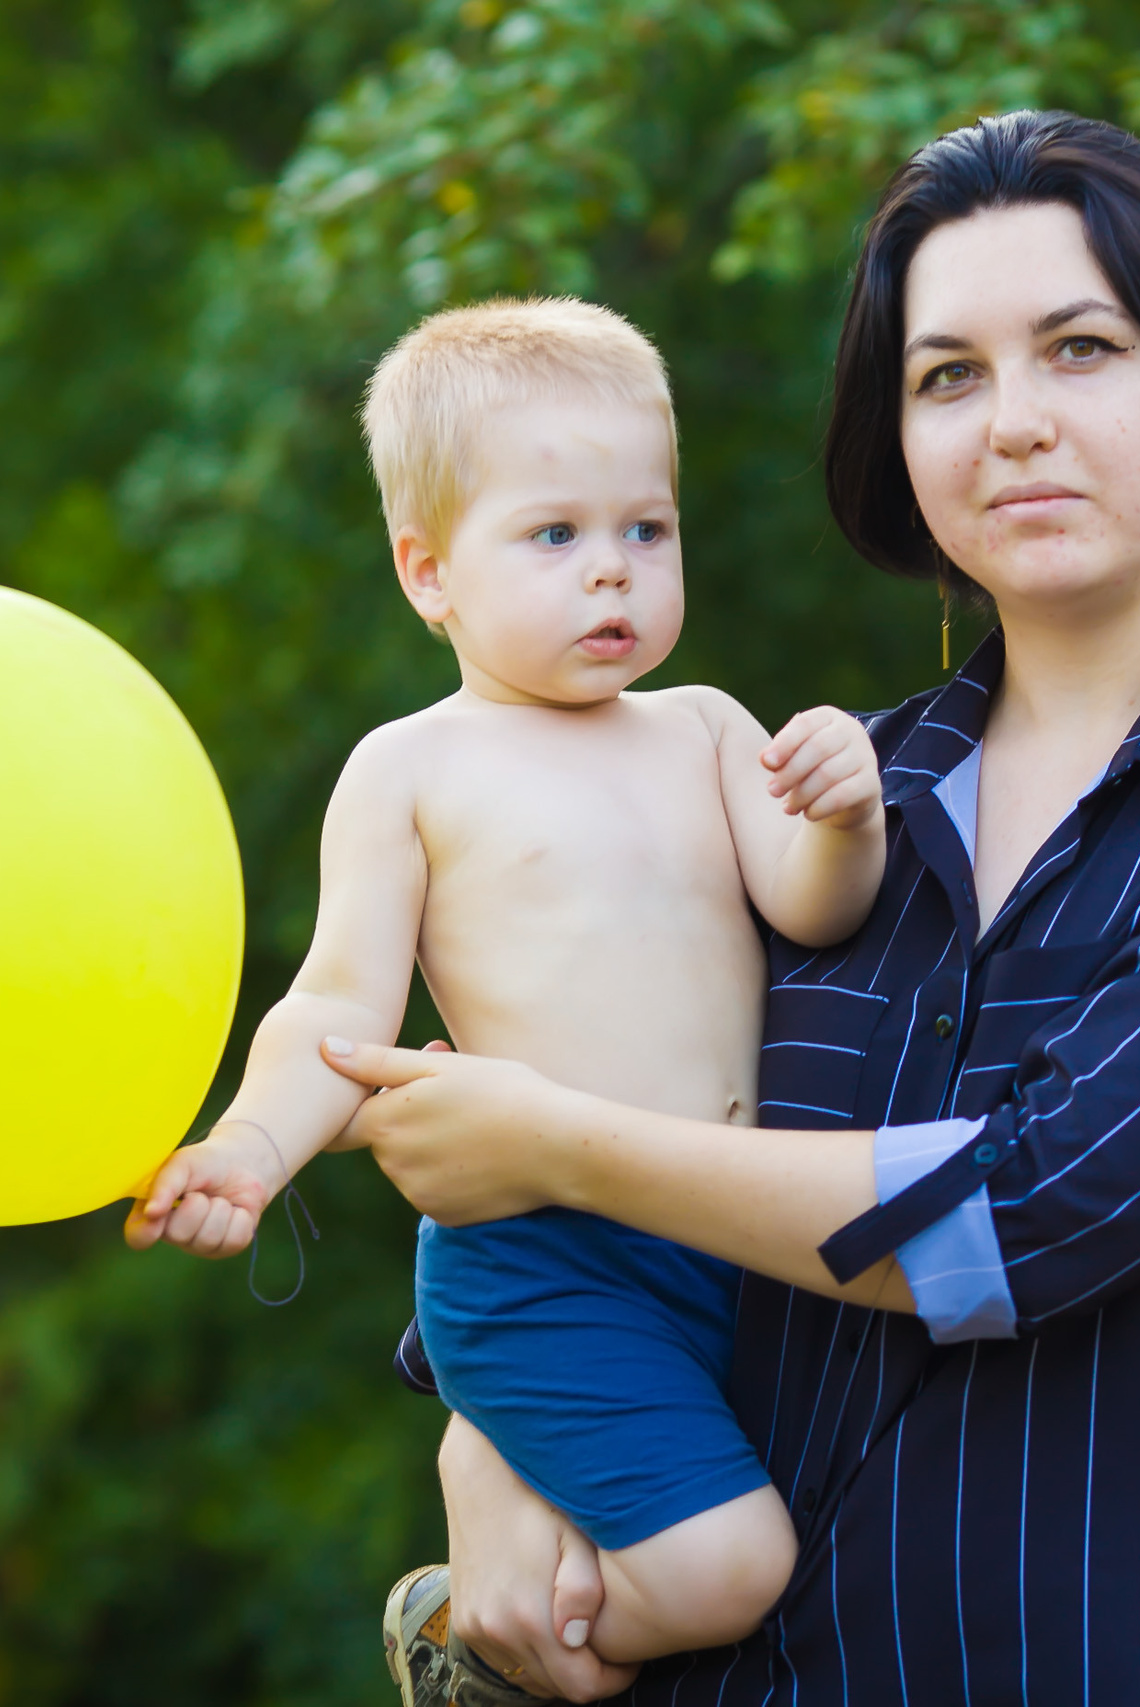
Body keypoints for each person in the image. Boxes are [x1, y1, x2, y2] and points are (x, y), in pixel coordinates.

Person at [325, 110, 1140, 1703]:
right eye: (949, 377)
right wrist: (483, 1447)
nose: (1013, 424)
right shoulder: (813, 800)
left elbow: (1030, 1215)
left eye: (1082, 349)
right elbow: (587, 1175)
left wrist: (555, 1145)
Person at [121, 298, 896, 1698]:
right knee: (733, 1570)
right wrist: (247, 1147)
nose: (614, 575)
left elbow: (814, 907)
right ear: (429, 574)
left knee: (810, 1549)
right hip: (549, 1262)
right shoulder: (416, 768)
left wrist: (846, 810)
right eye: (556, 537)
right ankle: (477, 1650)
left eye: (645, 532)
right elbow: (338, 1010)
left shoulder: (709, 728)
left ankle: (517, 1535)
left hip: (733, 1233)